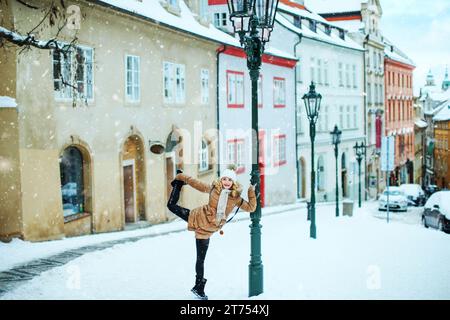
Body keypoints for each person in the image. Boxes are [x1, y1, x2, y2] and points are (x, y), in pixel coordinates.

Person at [167, 164, 257, 300]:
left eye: (229, 180)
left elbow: (251, 207)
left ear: (233, 182)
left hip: (207, 231)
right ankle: (178, 184)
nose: (226, 182)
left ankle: (198, 288)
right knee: (171, 205)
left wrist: (251, 190)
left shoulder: (235, 198)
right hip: (197, 217)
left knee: (200, 259)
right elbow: (195, 183)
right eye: (224, 179)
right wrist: (181, 176)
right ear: (221, 180)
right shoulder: (213, 189)